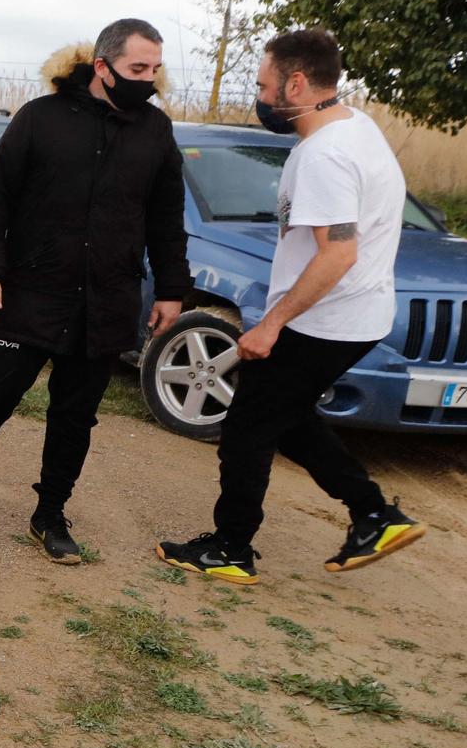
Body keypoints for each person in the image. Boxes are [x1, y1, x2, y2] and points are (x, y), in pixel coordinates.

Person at [0, 19, 188, 565]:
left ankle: (51, 512)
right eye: (138, 69)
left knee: (75, 416)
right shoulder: (39, 119)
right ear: (103, 67)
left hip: (106, 301)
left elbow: (165, 217)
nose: (150, 79)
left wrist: (172, 289)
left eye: (155, 69)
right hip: (30, 293)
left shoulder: (155, 131)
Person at [157, 29, 423, 582]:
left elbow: (338, 254)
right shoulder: (356, 127)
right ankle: (374, 513)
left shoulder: (325, 155)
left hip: (323, 320)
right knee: (289, 417)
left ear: (295, 83)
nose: (259, 96)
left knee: (247, 429)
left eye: (262, 83)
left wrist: (272, 324)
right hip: (358, 315)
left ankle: (230, 548)